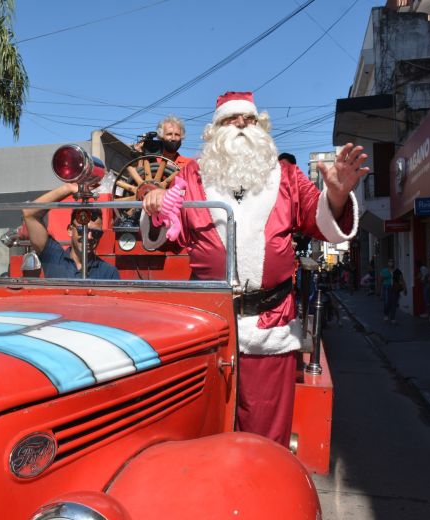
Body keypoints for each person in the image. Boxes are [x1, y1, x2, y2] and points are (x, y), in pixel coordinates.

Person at [142, 91, 368, 447]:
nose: (241, 127)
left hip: (270, 325)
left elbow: (320, 221)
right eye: (231, 121)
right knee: (202, 434)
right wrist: (154, 208)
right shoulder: (191, 176)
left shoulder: (288, 176)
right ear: (214, 131)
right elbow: (169, 235)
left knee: (264, 438)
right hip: (208, 327)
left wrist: (336, 197)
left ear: (261, 127)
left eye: (248, 120)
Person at [22, 183, 120, 280]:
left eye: (96, 233)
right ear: (70, 230)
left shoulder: (109, 273)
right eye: (82, 230)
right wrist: (68, 188)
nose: (89, 237)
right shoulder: (53, 257)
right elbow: (29, 213)